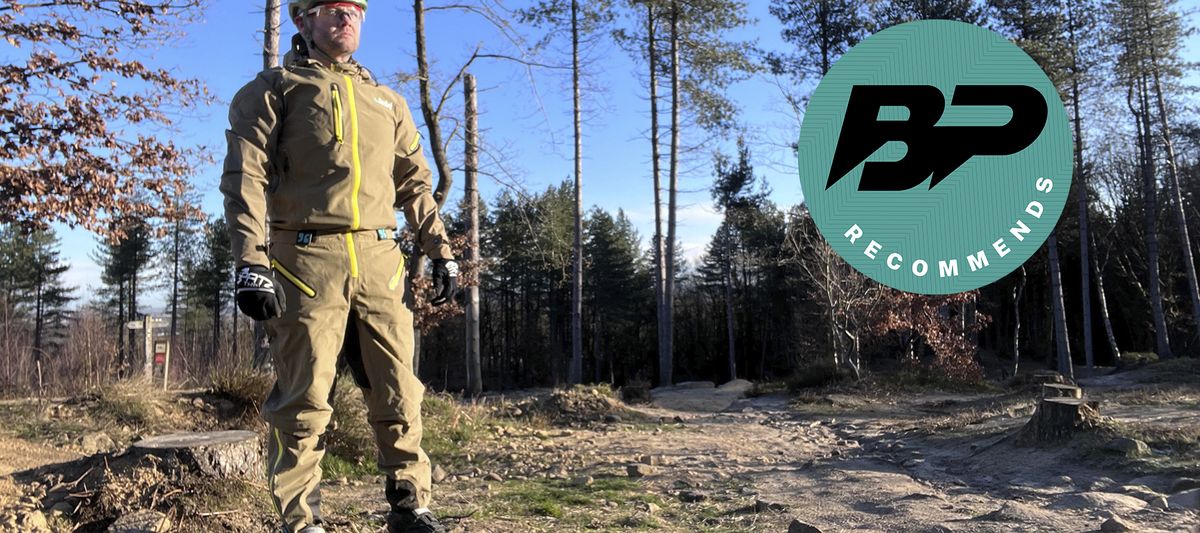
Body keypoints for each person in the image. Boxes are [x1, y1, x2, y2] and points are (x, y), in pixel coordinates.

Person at [220, 1, 457, 532]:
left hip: (380, 259)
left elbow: (416, 182)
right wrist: (250, 259)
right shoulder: (274, 89)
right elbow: (244, 179)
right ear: (303, 20)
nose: (344, 18)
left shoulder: (387, 101)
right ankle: (302, 521)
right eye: (329, 9)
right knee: (304, 396)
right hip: (306, 259)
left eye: (353, 10)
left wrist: (440, 249)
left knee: (399, 388)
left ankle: (410, 506)